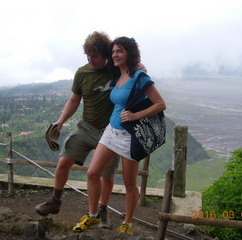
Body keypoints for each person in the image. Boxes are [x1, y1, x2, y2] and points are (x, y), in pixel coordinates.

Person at [72, 37, 166, 234]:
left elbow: (160, 104)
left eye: (120, 51)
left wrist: (135, 115)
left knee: (129, 184)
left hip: (129, 136)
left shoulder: (140, 77)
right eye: (113, 51)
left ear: (129, 53)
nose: (115, 54)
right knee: (92, 173)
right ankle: (93, 215)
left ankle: (127, 223)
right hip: (110, 131)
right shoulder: (116, 73)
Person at [34, 31, 120, 229]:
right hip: (86, 126)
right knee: (64, 161)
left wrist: (140, 66)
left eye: (95, 55)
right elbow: (74, 100)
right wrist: (61, 121)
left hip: (109, 131)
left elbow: (133, 71)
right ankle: (55, 201)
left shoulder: (116, 70)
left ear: (106, 54)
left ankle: (102, 211)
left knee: (106, 174)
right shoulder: (82, 73)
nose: (91, 59)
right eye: (88, 55)